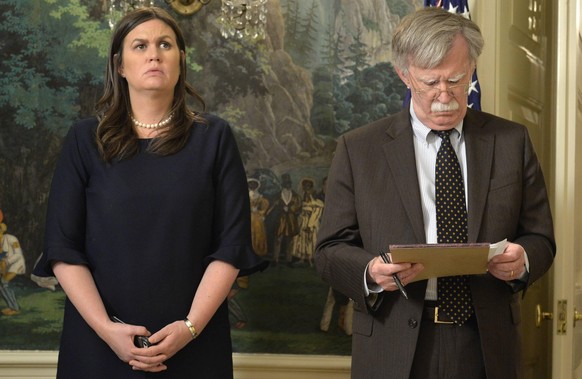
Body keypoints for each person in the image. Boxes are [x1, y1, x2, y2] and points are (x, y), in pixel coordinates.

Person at [315, 7, 555, 379]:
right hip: (393, 340)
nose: (444, 96)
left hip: (486, 342)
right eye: (430, 83)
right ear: (404, 74)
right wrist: (370, 271)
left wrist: (523, 259)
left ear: (472, 68)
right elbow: (329, 250)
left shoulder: (511, 141)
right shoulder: (358, 149)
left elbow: (541, 237)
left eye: (456, 80)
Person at [33, 7, 267, 378]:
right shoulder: (83, 139)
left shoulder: (215, 139)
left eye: (165, 44)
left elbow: (231, 245)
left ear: (180, 61)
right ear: (120, 66)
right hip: (98, 343)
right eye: (140, 45)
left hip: (194, 342)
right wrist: (107, 331)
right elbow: (63, 248)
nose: (154, 53)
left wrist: (190, 328)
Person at [0, 209, 26, 316]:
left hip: (16, 265)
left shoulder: (11, 239)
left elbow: (18, 255)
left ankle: (14, 308)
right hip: (6, 267)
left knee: (4, 284)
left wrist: (6, 261)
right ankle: (12, 307)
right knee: (2, 285)